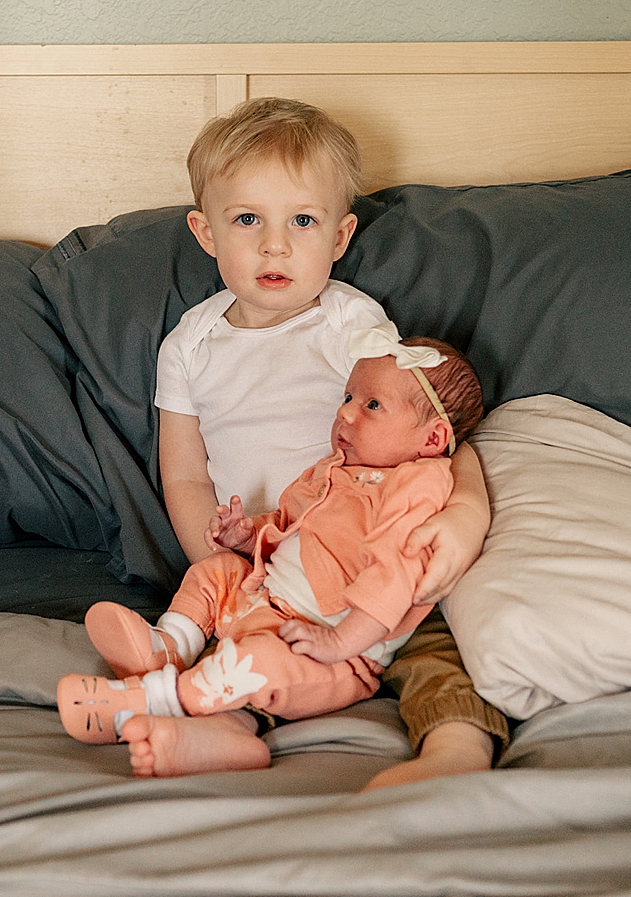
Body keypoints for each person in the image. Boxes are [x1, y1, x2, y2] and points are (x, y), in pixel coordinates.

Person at [150, 97, 506, 786]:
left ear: (340, 237)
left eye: (302, 220)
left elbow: (429, 421)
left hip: (374, 553)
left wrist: (468, 510)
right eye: (247, 218)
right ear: (206, 230)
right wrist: (234, 568)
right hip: (272, 567)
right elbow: (186, 477)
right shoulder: (188, 344)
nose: (275, 244)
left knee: (433, 643)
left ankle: (453, 752)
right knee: (243, 649)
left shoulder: (354, 324)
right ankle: (227, 729)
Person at [58, 331, 483, 770]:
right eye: (348, 397)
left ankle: (145, 700)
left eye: (372, 406)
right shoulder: (330, 470)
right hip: (262, 599)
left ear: (432, 440)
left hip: (332, 652)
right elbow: (286, 526)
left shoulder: (416, 486)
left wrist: (337, 641)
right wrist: (245, 538)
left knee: (258, 661)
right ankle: (168, 645)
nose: (344, 412)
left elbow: (395, 575)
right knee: (218, 569)